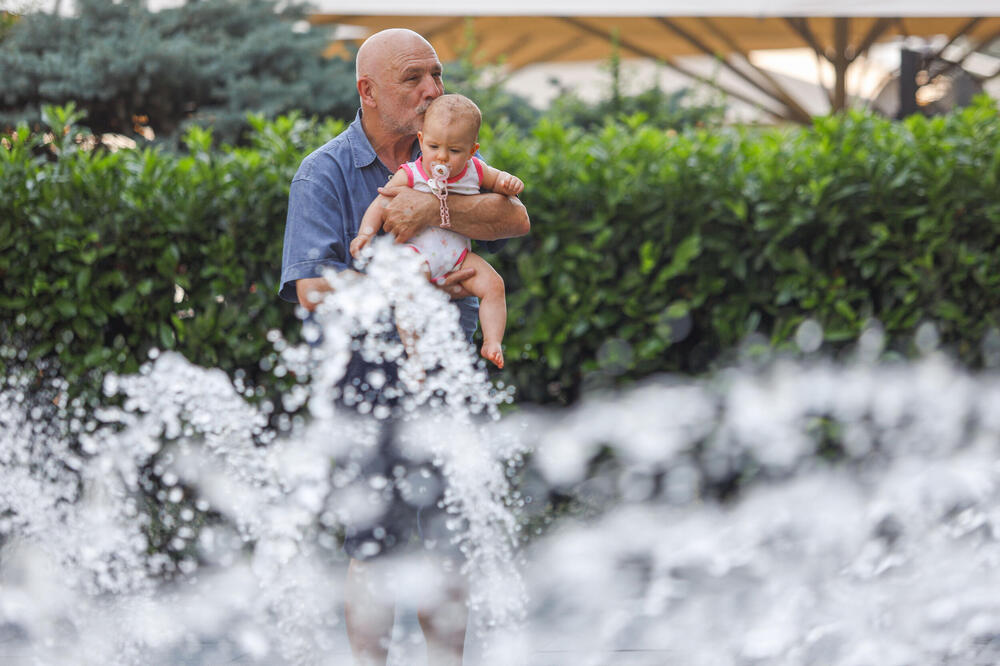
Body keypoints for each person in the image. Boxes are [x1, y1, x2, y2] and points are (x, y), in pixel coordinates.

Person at [277, 28, 530, 666]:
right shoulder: (324, 172)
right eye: (414, 78)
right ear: (367, 91)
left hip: (446, 372)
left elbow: (513, 219)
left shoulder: (445, 151)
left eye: (437, 75)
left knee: (450, 539)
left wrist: (433, 213)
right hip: (363, 381)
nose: (433, 90)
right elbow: (310, 290)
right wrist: (399, 287)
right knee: (374, 545)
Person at [350, 93, 524, 370]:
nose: (442, 157)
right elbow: (382, 202)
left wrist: (508, 183)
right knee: (410, 291)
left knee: (494, 285)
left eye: (454, 151)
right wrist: (365, 234)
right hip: (418, 253)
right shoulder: (412, 173)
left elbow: (498, 182)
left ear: (471, 150)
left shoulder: (475, 170)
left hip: (458, 258)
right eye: (433, 146)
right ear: (421, 141)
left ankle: (492, 341)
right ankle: (414, 353)